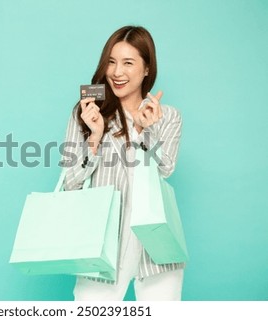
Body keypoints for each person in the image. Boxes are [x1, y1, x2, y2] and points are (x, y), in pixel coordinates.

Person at [61, 25, 185, 301]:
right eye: (112, 62)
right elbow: (71, 181)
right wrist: (94, 137)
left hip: (156, 247)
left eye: (128, 63)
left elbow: (165, 169)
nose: (117, 72)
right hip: (101, 243)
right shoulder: (88, 112)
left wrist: (145, 131)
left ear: (147, 69)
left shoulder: (168, 117)